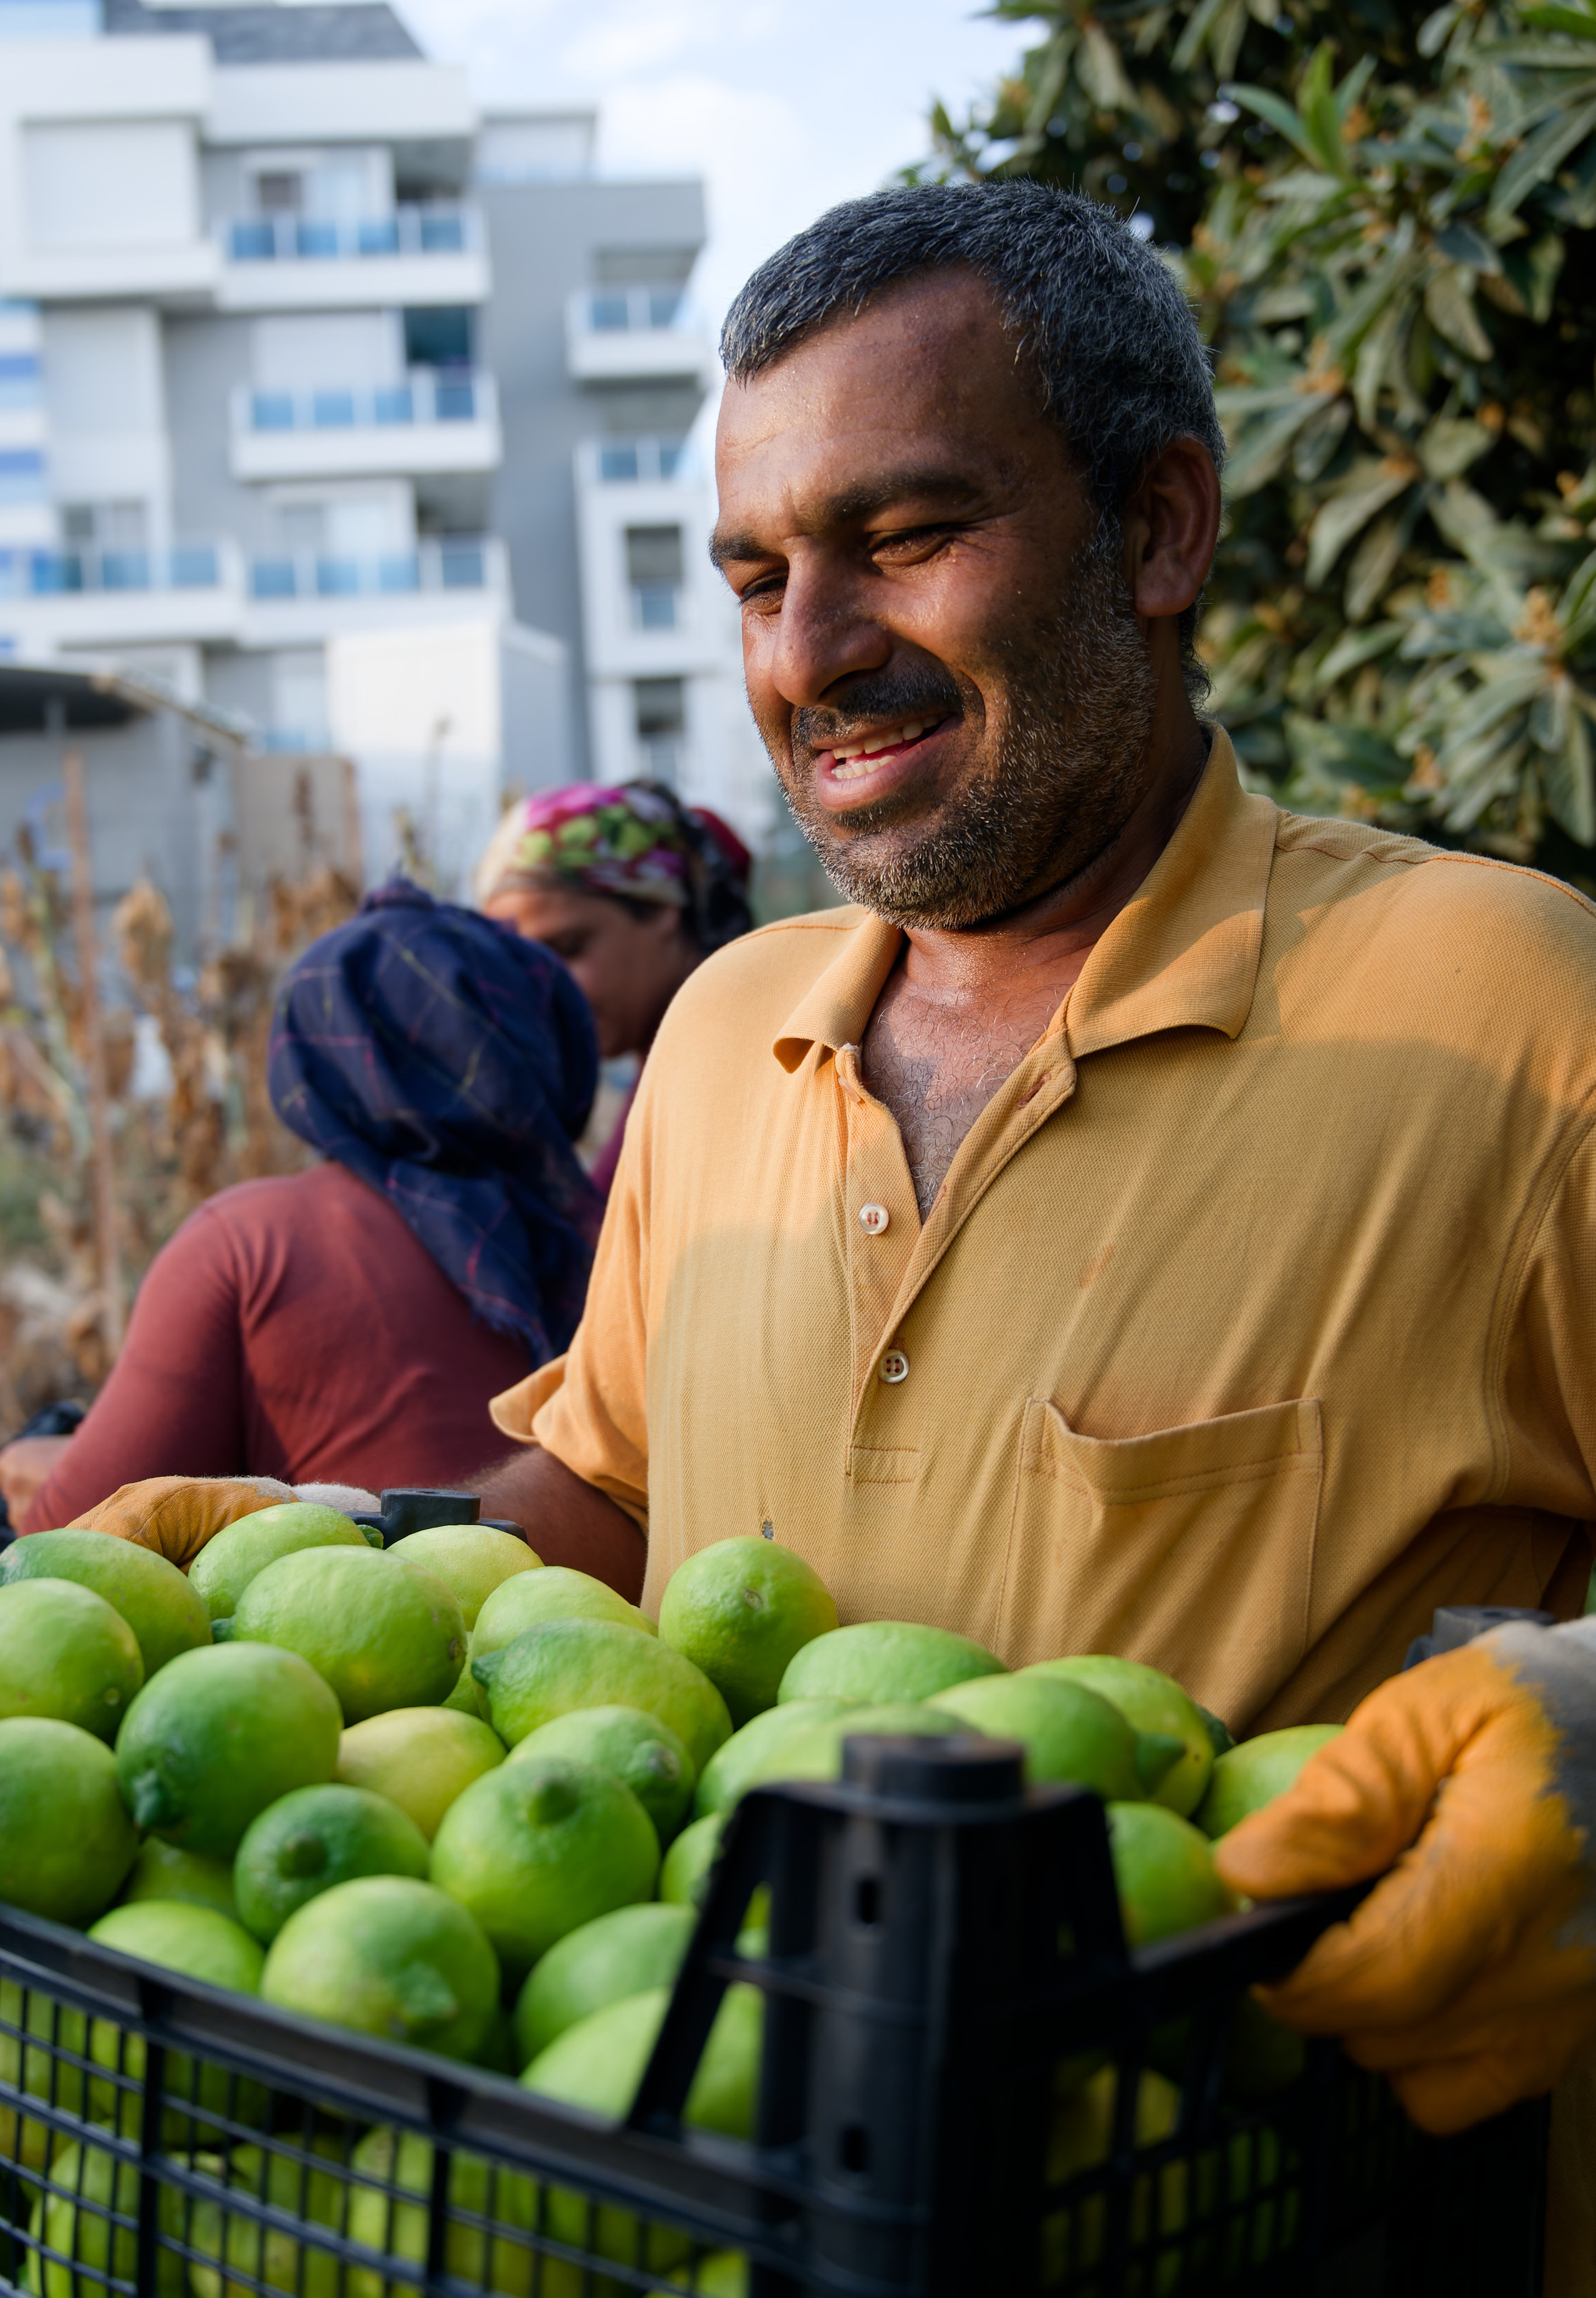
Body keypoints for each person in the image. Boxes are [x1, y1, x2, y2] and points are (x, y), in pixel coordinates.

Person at [98, 184, 1596, 2250]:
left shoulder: (1516, 1013)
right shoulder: (719, 1036)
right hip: (716, 2182)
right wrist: (320, 1558)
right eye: (754, 574)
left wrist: (1588, 1741)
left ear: (1159, 529)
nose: (808, 657)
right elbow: (613, 1509)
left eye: (904, 541)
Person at [14, 879, 602, 1528]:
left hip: (366, 1619)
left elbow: (77, 1537)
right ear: (552, 1051)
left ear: (309, 1064)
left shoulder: (251, 1242)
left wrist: (31, 1466)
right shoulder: (620, 1239)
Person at [473, 781, 752, 1191]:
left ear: (660, 910)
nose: (546, 992)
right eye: (523, 966)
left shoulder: (739, 1070)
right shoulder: (661, 1075)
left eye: (568, 949)